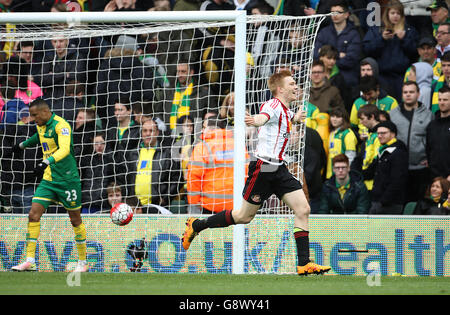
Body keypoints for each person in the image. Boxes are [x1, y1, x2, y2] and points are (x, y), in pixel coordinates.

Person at [181, 70, 331, 276]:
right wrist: (255, 120)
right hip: (264, 168)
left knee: (303, 209)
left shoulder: (286, 110)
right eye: (292, 84)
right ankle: (197, 225)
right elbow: (264, 117)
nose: (296, 87)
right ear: (280, 89)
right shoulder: (272, 105)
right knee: (243, 216)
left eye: (296, 83)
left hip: (279, 168)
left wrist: (295, 119)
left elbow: (280, 122)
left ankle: (304, 263)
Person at [10, 99, 88, 272]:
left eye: (35, 115)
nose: (33, 119)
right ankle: (30, 261)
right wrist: (21, 145)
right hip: (49, 179)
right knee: (33, 214)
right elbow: (39, 137)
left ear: (45, 112)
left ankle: (83, 263)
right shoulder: (40, 125)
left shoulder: (62, 126)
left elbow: (65, 149)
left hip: (68, 180)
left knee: (75, 220)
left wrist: (45, 161)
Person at [118, 119, 183, 211]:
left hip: (157, 207)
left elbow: (178, 178)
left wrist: (165, 198)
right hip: (135, 207)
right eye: (145, 131)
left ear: (157, 133)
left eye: (151, 130)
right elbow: (123, 177)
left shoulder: (167, 153)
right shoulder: (132, 154)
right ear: (141, 133)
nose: (148, 134)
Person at [187, 117, 249, 214]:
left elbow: (194, 176)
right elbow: (247, 173)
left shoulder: (202, 147)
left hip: (210, 205)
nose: (202, 130)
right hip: (236, 205)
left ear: (211, 128)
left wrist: (194, 202)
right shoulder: (238, 145)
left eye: (204, 127)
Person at [362, 0, 419, 102]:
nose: (395, 16)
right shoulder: (377, 29)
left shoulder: (409, 30)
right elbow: (367, 50)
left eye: (398, 13)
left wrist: (404, 39)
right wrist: (382, 39)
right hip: (382, 76)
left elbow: (415, 53)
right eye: (393, 13)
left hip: (402, 76)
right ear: (387, 14)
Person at [390, 81, 433, 203]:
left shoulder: (427, 115)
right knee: (399, 203)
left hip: (420, 168)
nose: (408, 95)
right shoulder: (393, 114)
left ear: (418, 94)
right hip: (398, 167)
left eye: (411, 92)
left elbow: (432, 141)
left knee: (418, 204)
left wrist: (429, 158)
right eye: (405, 92)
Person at [313, 0, 362, 87]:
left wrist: (326, 58)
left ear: (346, 14)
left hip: (347, 80)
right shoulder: (324, 32)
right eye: (332, 12)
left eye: (338, 12)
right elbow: (316, 55)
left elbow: (351, 59)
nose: (334, 15)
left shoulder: (353, 34)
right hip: (325, 80)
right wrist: (340, 55)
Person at [367, 120, 409, 214]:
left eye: (383, 133)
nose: (380, 136)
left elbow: (398, 179)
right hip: (378, 201)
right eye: (378, 133)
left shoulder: (398, 152)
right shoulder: (382, 151)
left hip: (390, 204)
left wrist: (384, 200)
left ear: (393, 134)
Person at [79, 132, 115, 213]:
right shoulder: (87, 160)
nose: (99, 146)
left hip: (104, 204)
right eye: (96, 143)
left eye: (102, 143)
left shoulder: (111, 161)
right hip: (87, 202)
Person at [354, 104, 381, 192]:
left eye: (362, 119)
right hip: (366, 183)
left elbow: (378, 158)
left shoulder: (380, 135)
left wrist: (364, 174)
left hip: (374, 183)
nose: (361, 123)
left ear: (372, 117)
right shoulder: (370, 135)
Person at [326, 107, 358, 179]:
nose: (334, 119)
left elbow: (351, 156)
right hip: (331, 174)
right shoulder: (332, 132)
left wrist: (345, 172)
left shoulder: (348, 133)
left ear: (344, 119)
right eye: (332, 116)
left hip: (342, 174)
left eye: (338, 117)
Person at [426, 85, 450, 182]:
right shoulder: (432, 125)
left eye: (445, 100)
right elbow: (429, 150)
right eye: (440, 99)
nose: (442, 103)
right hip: (434, 177)